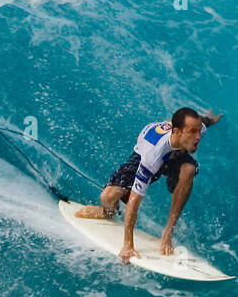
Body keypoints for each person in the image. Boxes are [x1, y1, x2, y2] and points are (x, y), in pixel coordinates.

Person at [74, 107, 221, 262]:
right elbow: (135, 199)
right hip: (144, 154)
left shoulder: (197, 130)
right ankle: (107, 212)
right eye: (192, 132)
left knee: (189, 169)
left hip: (176, 155)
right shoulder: (152, 154)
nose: (198, 136)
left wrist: (211, 119)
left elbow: (203, 123)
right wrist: (127, 245)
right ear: (177, 131)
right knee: (108, 196)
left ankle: (167, 233)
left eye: (198, 131)